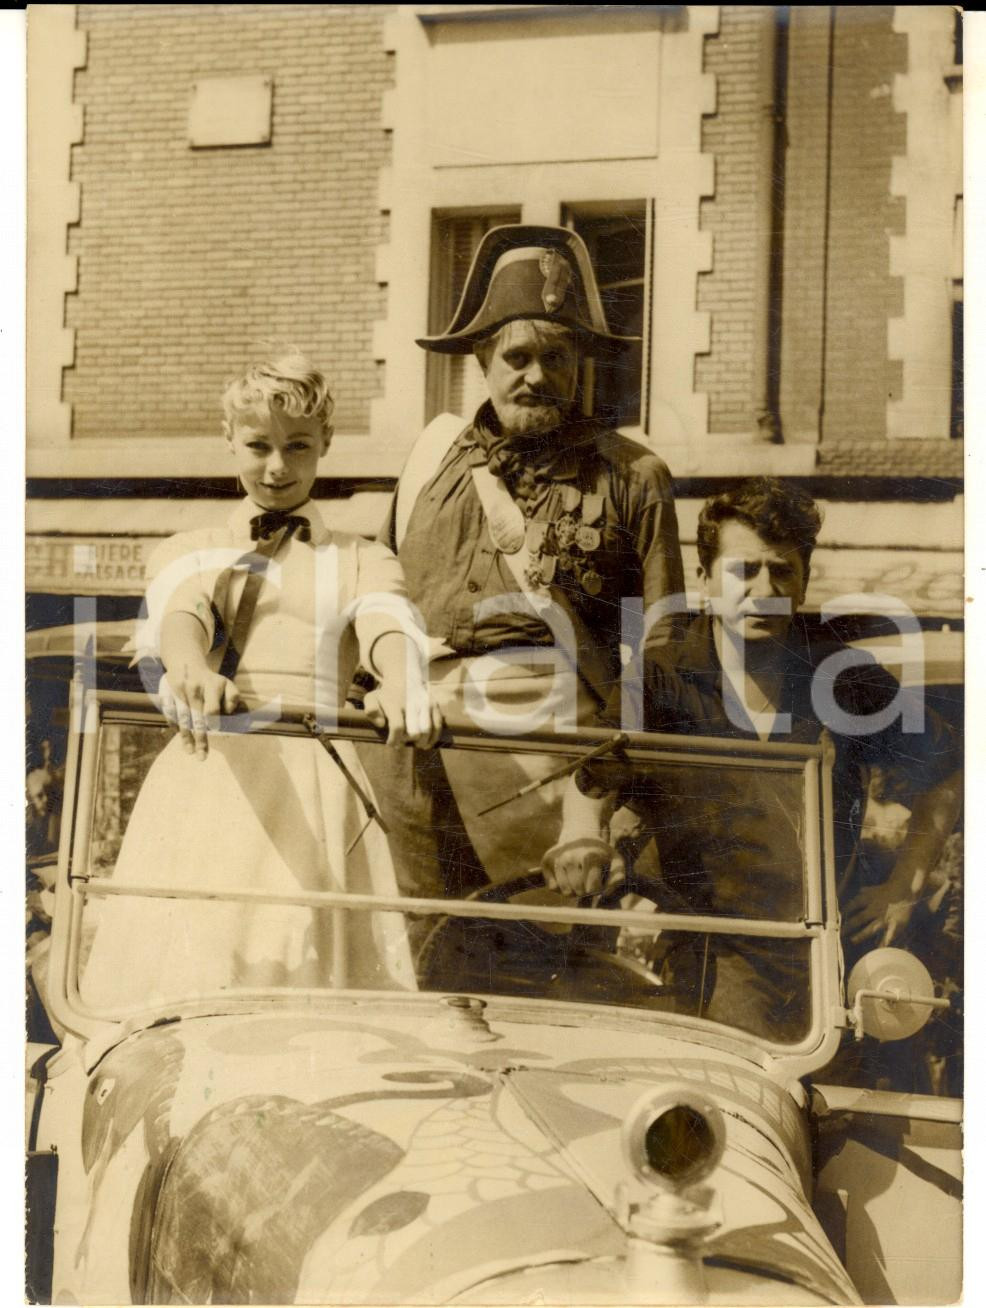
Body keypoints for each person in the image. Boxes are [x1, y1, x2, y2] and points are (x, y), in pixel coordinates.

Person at [81, 351, 441, 1008]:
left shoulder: (362, 557)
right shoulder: (189, 549)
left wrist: (399, 680)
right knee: (202, 958)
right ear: (230, 441)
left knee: (313, 965)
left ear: (325, 445)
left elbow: (388, 624)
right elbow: (181, 616)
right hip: (217, 772)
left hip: (319, 777)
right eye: (259, 446)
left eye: (298, 447)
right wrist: (192, 672)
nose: (278, 466)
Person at [546, 478, 962, 1041]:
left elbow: (949, 767)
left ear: (803, 582)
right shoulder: (660, 679)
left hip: (825, 938)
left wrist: (905, 886)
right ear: (705, 580)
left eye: (781, 570)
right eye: (744, 570)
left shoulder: (841, 675)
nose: (763, 588)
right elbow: (592, 779)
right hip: (709, 946)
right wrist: (580, 837)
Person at [359, 225, 684, 920]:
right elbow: (371, 595)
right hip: (420, 753)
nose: (537, 376)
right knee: (428, 954)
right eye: (519, 356)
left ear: (581, 365)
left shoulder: (635, 477)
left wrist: (596, 801)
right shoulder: (429, 464)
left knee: (563, 970)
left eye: (558, 358)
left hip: (567, 770)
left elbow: (663, 652)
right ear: (482, 357)